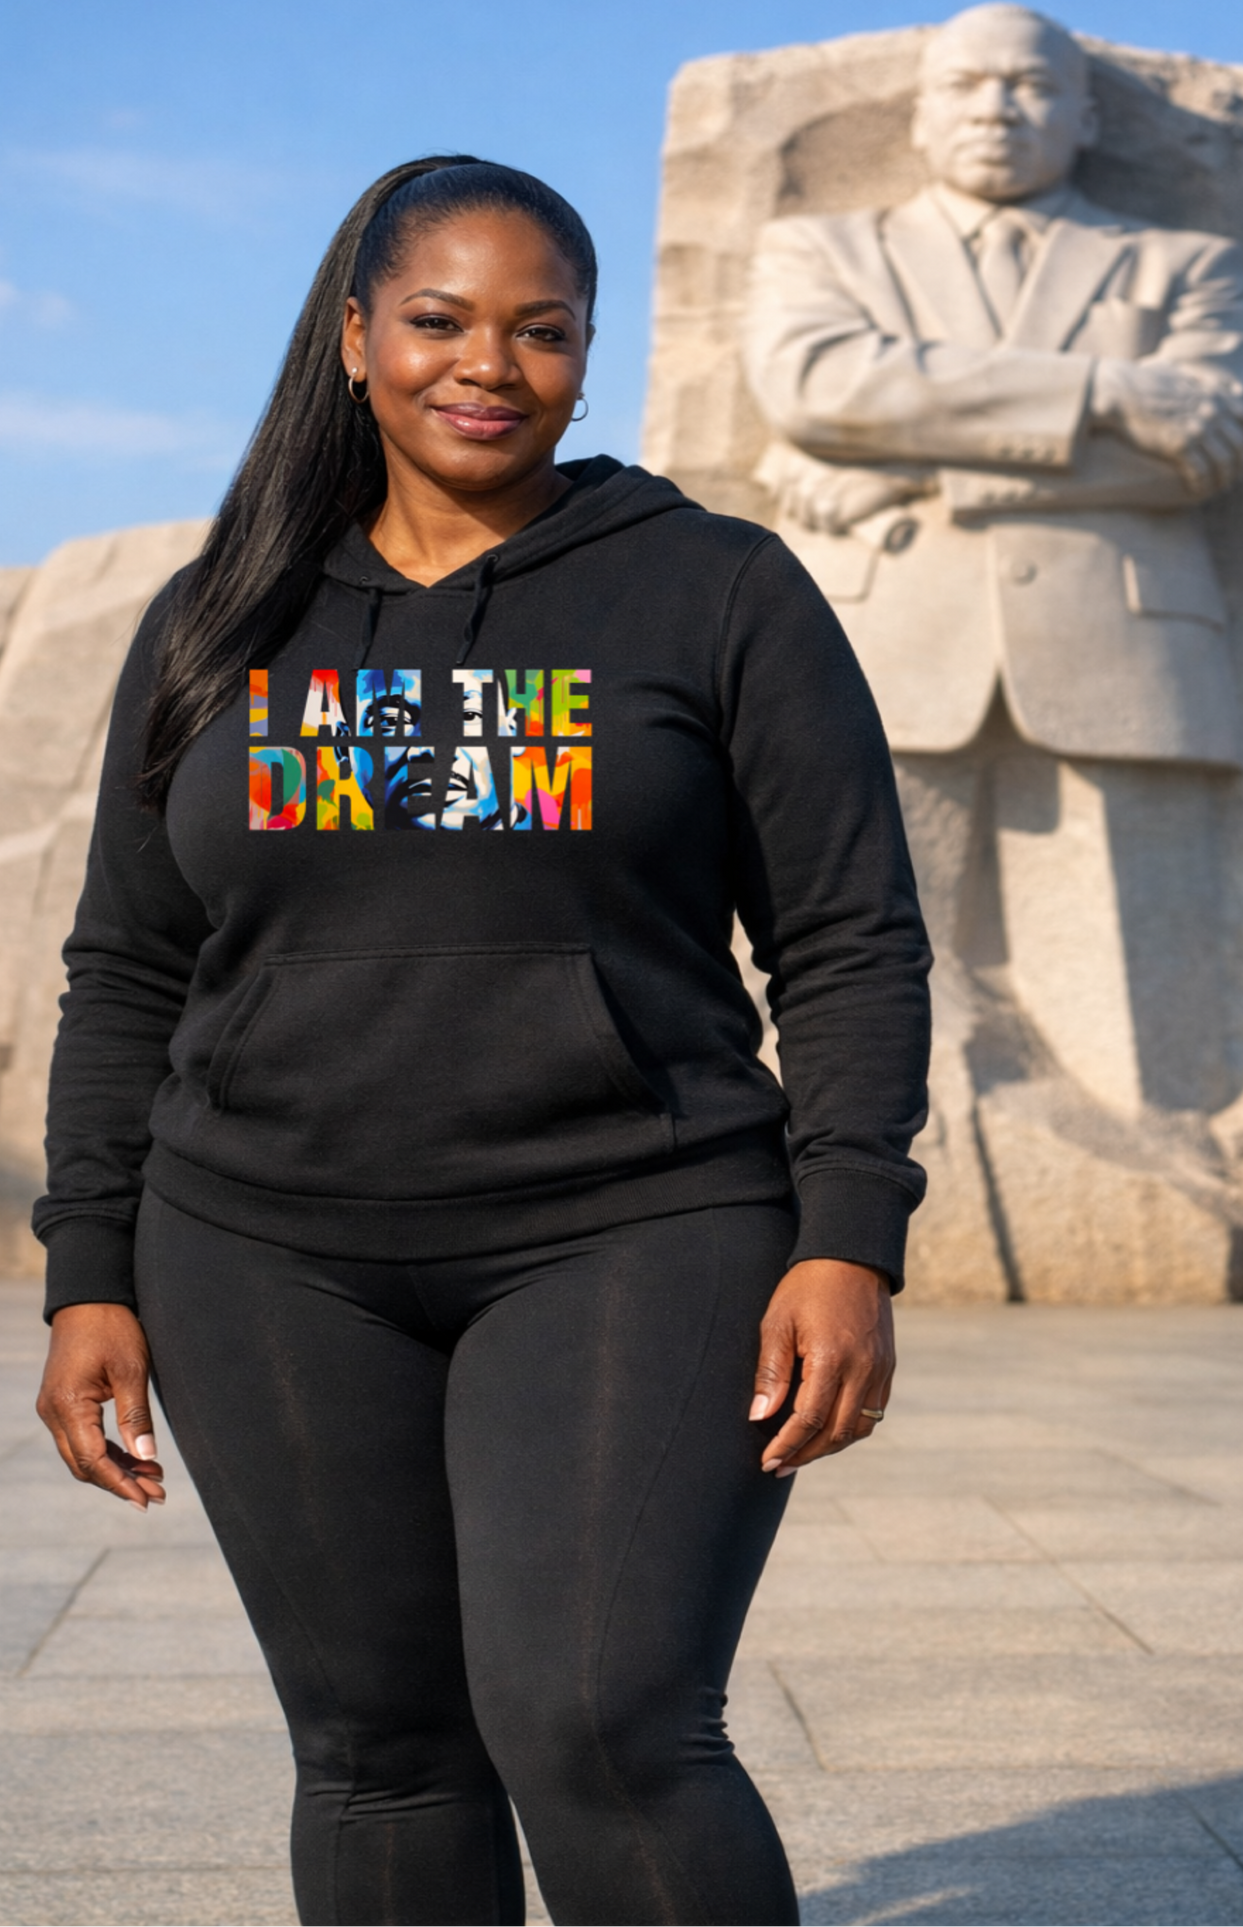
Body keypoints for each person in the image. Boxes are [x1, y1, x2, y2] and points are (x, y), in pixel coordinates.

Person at [33, 157, 931, 1927]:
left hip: (636, 1221)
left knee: (606, 1718)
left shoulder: (714, 590)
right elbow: (127, 965)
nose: (489, 365)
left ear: (589, 356)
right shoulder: (223, 614)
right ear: (355, 334)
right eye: (440, 320)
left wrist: (849, 1235)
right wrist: (89, 1269)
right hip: (263, 1250)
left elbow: (847, 936)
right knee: (379, 1748)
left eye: (543, 330)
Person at [744, 2, 1243, 1153]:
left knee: (1145, 1051)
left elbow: (1205, 449)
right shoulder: (823, 252)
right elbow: (815, 388)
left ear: (1084, 117)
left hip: (1119, 655)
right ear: (919, 114)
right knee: (846, 986)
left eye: (1029, 85)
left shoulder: (1183, 265)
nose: (996, 107)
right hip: (875, 648)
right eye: (966, 84)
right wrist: (1103, 392)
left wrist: (910, 466)